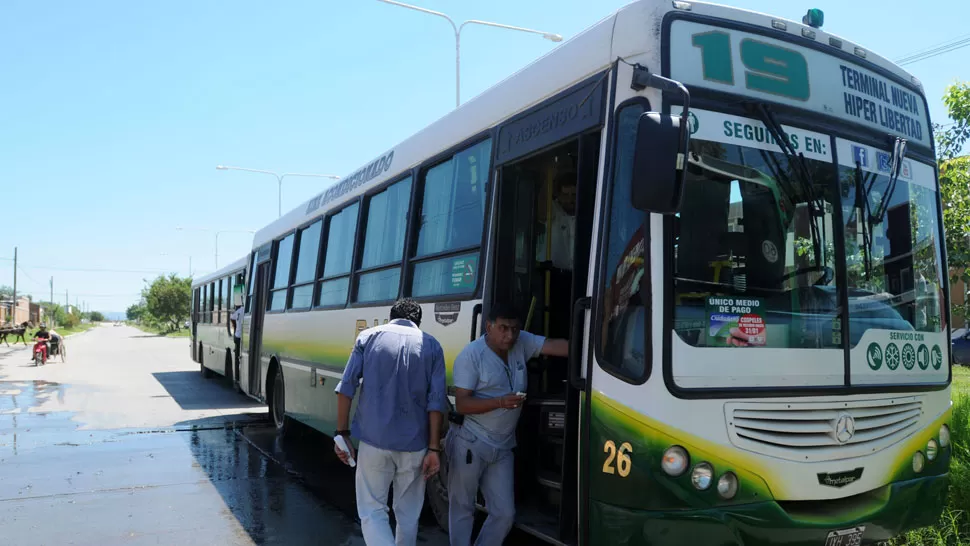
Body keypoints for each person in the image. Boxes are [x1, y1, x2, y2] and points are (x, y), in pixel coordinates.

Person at [448, 302, 569, 546]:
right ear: (488, 326)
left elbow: (557, 346)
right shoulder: (472, 356)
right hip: (471, 441)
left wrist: (599, 344)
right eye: (503, 328)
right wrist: (500, 401)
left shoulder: (521, 341)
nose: (510, 335)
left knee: (504, 514)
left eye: (514, 329)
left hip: (503, 446)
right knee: (463, 508)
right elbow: (462, 404)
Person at [334, 297, 447, 546]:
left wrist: (342, 433)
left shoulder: (368, 338)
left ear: (391, 316)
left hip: (374, 443)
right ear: (417, 321)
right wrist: (434, 449)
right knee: (408, 515)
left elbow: (346, 389)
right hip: (416, 446)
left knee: (373, 511)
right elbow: (436, 402)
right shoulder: (432, 346)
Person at [229, 303, 244, 385]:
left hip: (237, 336)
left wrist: (235, 327)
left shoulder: (239, 310)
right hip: (243, 337)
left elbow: (232, 318)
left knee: (237, 358)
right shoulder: (247, 310)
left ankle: (237, 378)